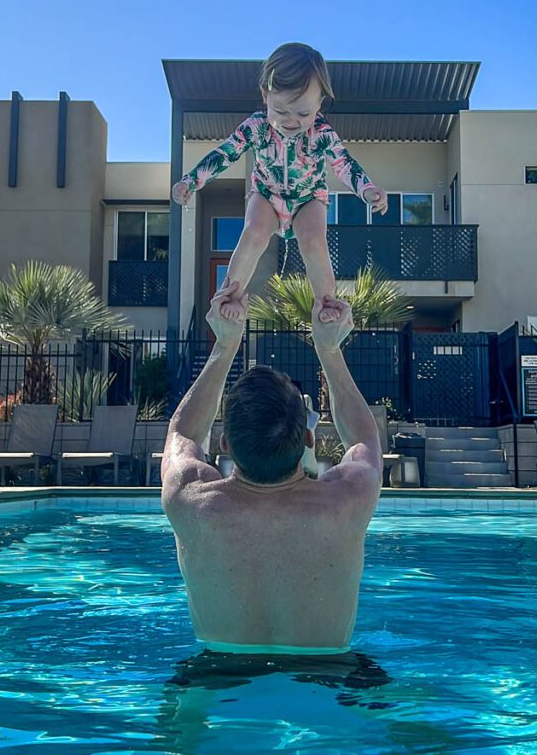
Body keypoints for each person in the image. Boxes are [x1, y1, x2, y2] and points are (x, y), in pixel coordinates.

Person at [160, 279, 382, 655]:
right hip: (330, 677)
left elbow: (182, 432)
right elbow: (365, 440)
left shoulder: (189, 498)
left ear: (226, 445)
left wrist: (226, 344)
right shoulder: (349, 498)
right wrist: (328, 348)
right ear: (308, 438)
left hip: (216, 675)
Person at [171, 42, 388, 323]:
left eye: (303, 113)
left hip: (308, 199)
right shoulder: (256, 127)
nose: (292, 121)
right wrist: (191, 180)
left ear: (320, 103)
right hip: (267, 195)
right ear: (265, 95)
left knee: (314, 243)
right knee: (253, 234)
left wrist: (367, 188)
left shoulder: (322, 133)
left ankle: (326, 302)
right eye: (282, 110)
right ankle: (232, 295)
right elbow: (225, 153)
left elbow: (343, 163)